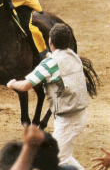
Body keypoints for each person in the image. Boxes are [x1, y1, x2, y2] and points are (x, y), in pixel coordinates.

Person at [7, 23, 89, 170]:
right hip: (77, 114)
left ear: (50, 42)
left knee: (58, 160)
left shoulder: (50, 62)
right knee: (64, 157)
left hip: (68, 119)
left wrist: (12, 83)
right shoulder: (74, 57)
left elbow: (25, 86)